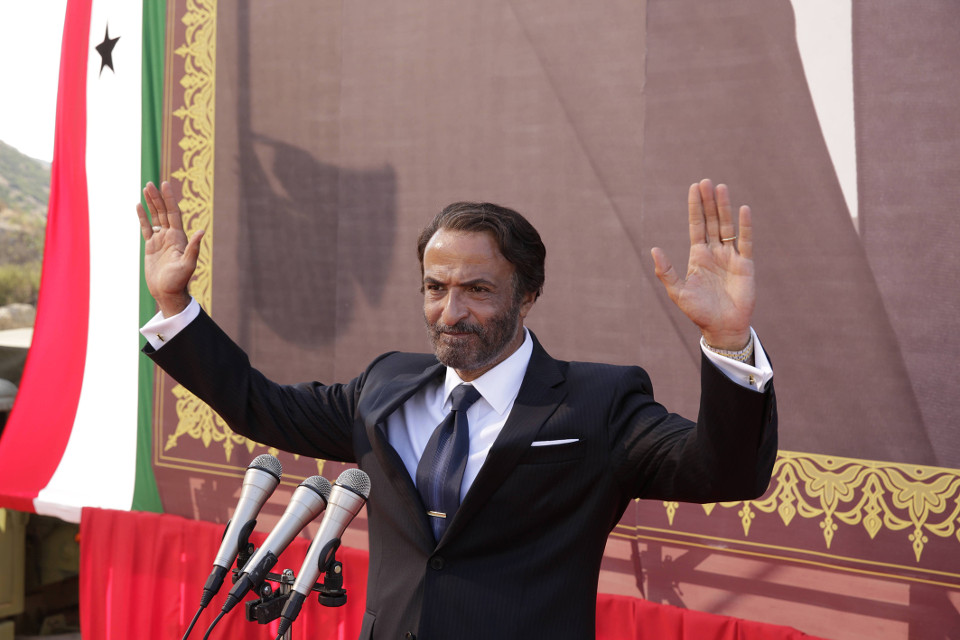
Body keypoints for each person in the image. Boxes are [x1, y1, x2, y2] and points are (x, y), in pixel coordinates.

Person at [136, 179, 777, 640]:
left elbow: (724, 471)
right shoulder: (384, 386)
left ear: (528, 296)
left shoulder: (598, 403)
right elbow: (260, 406)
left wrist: (727, 341)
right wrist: (175, 308)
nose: (451, 312)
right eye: (435, 288)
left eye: (477, 290)